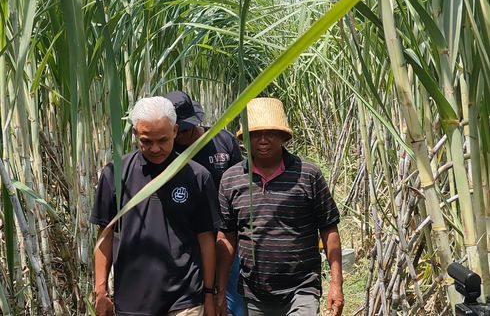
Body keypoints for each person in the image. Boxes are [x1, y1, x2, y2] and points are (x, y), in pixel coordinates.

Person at [91, 96, 220, 316]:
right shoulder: (115, 174)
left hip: (185, 299)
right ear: (135, 133)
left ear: (175, 131)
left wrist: (209, 294)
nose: (155, 148)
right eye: (146, 141)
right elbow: (106, 235)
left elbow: (206, 239)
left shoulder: (197, 176)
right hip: (132, 301)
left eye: (163, 140)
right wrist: (101, 291)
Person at [216, 97, 344, 316]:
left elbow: (329, 228)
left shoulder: (307, 175)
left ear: (283, 137)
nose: (263, 140)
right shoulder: (232, 179)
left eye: (271, 134)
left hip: (301, 288)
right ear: (245, 138)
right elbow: (227, 237)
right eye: (255, 134)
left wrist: (336, 284)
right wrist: (219, 291)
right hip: (254, 293)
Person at [166, 90, 245, 316]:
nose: (177, 136)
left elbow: (240, 183)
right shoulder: (168, 150)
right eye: (173, 130)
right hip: (188, 242)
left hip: (228, 237)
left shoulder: (223, 140)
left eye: (182, 130)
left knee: (232, 302)